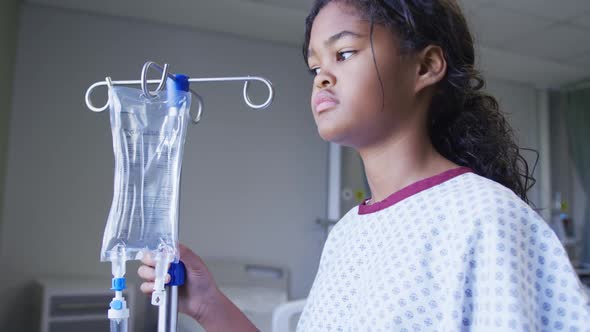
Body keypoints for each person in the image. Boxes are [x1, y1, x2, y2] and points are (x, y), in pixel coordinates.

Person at [138, 0, 590, 330]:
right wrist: (206, 304)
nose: (323, 76)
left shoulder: (486, 217)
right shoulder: (349, 232)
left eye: (345, 53)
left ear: (425, 66)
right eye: (314, 66)